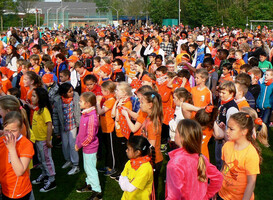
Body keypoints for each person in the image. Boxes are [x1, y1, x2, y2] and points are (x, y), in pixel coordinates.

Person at [165, 119, 223, 199]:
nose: (175, 134)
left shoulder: (175, 163)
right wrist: (206, 196)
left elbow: (173, 196)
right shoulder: (201, 157)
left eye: (176, 132)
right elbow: (218, 177)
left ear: (182, 137)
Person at [218, 112, 261, 200]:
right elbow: (223, 168)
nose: (227, 131)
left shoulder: (251, 154)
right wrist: (216, 188)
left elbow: (251, 183)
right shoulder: (226, 146)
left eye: (231, 129)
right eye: (227, 127)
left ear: (244, 131)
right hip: (222, 195)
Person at [0, 111, 34, 199]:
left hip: (19, 191)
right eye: (7, 130)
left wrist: (12, 149)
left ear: (21, 128)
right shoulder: (2, 140)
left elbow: (19, 171)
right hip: (5, 188)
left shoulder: (26, 144)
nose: (9, 134)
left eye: (14, 131)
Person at [75, 92, 102, 199]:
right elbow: (81, 131)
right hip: (85, 147)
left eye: (81, 101)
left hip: (90, 148)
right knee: (87, 167)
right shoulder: (85, 113)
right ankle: (90, 185)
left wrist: (79, 145)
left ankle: (97, 192)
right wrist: (78, 142)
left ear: (87, 104)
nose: (78, 102)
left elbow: (90, 136)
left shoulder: (92, 117)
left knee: (91, 169)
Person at [31, 87, 56, 192]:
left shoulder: (44, 110)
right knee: (41, 159)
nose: (31, 98)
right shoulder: (37, 109)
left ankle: (52, 180)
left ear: (40, 98)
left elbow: (49, 124)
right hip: (38, 140)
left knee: (47, 160)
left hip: (43, 140)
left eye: (33, 96)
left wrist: (48, 140)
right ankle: (45, 175)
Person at [53, 83, 81, 175]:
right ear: (63, 93)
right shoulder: (58, 101)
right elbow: (55, 116)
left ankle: (75, 164)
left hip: (73, 125)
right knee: (65, 145)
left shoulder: (76, 98)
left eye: (72, 90)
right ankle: (68, 160)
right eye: (69, 92)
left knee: (73, 144)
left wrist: (79, 124)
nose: (72, 93)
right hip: (63, 127)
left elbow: (79, 111)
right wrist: (56, 130)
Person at [139, 91, 163, 195]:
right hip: (150, 159)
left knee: (150, 190)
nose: (140, 104)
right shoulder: (149, 118)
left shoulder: (152, 123)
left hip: (153, 160)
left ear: (150, 105)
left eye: (142, 102)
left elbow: (151, 146)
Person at [119, 135, 153, 200]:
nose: (126, 151)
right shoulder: (129, 162)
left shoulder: (145, 168)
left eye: (128, 149)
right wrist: (126, 182)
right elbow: (121, 177)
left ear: (137, 152)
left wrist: (125, 181)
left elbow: (130, 188)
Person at [214, 81, 238, 170]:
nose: (220, 94)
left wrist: (226, 138)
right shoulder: (223, 103)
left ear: (232, 93)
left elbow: (232, 127)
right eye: (220, 92)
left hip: (225, 139)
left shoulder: (232, 108)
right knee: (218, 159)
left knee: (223, 161)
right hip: (220, 137)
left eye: (223, 93)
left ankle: (222, 180)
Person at [96, 81, 116, 176]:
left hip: (109, 128)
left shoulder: (111, 101)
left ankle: (112, 167)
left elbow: (100, 112)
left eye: (102, 91)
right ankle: (108, 165)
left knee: (111, 149)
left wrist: (98, 102)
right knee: (107, 148)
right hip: (105, 127)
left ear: (107, 91)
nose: (101, 93)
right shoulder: (108, 100)